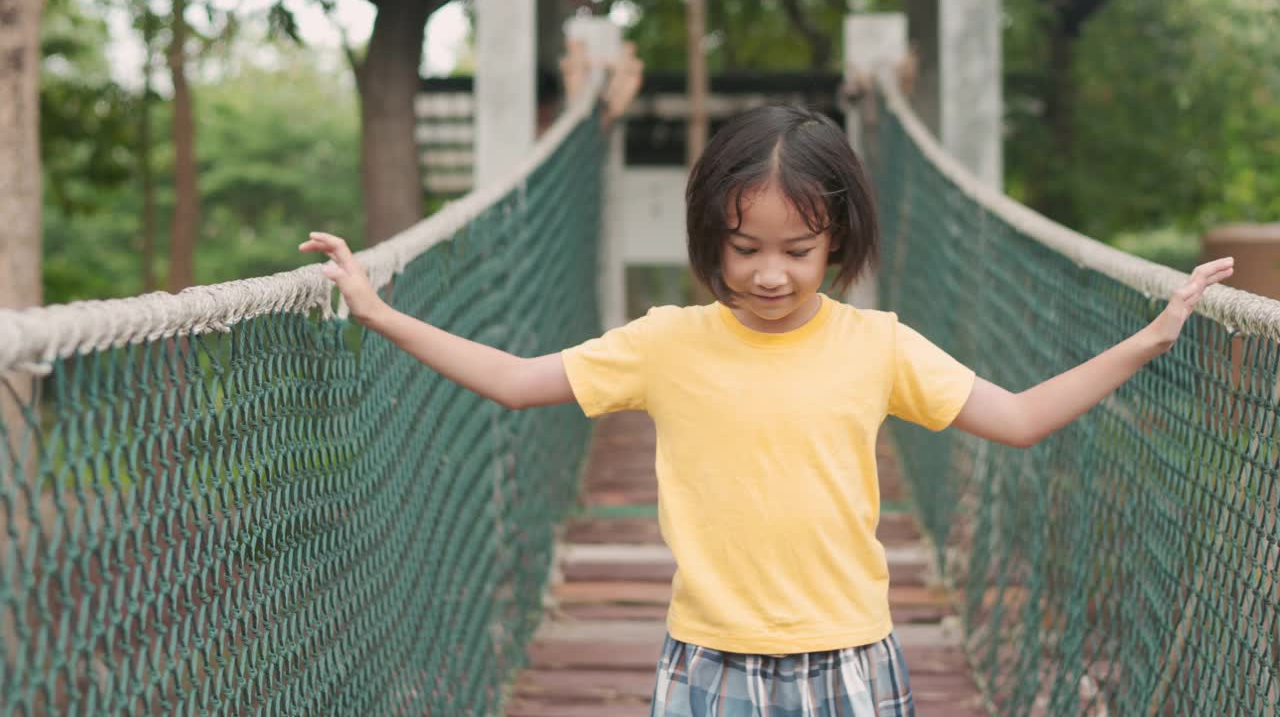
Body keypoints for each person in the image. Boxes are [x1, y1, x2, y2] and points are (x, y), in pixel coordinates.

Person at [300, 104, 1233, 715]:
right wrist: (380, 314)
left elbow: (1022, 418)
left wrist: (1150, 339)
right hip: (707, 663)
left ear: (840, 241)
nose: (770, 273)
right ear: (711, 237)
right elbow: (513, 380)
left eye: (799, 246)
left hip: (851, 661)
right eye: (743, 247)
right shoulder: (666, 341)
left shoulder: (879, 345)